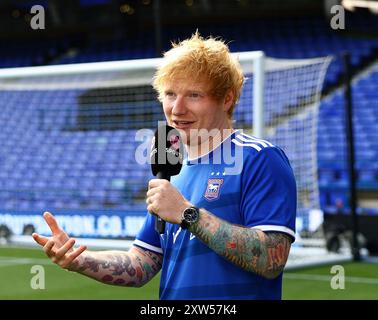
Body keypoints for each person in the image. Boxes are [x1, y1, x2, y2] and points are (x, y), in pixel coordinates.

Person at [32, 32, 296, 300]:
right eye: (170, 94)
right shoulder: (171, 165)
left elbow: (271, 260)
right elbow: (141, 263)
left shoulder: (260, 158)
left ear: (226, 99)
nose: (177, 109)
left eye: (193, 95)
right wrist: (79, 259)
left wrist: (187, 214)